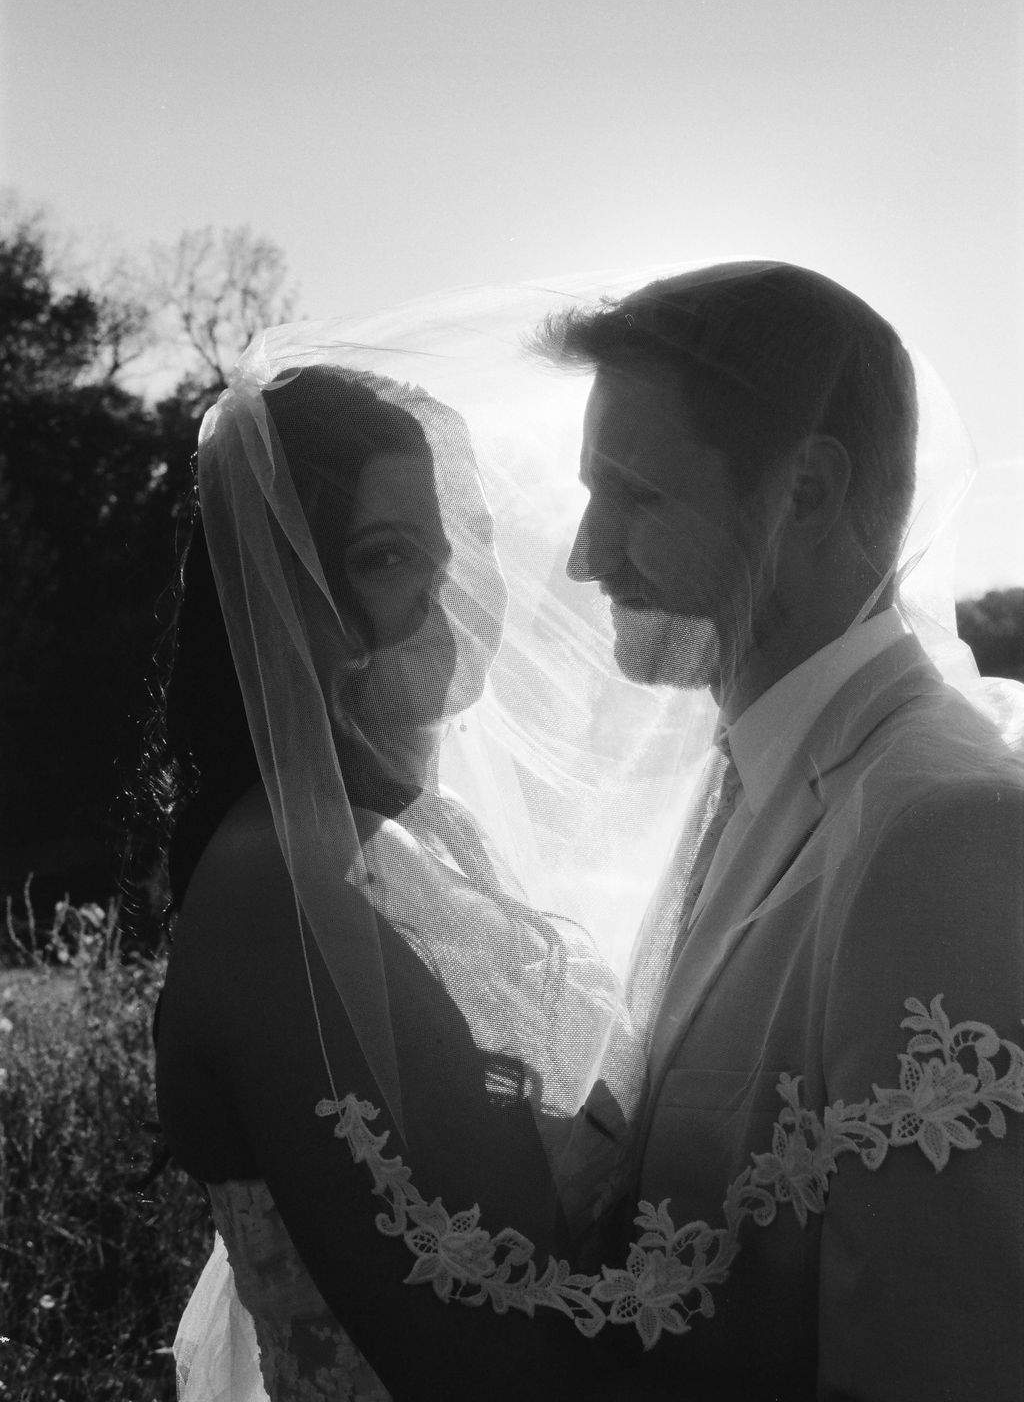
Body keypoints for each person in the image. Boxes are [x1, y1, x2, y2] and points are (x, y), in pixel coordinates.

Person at [538, 260, 1024, 1398]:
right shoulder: (755, 778)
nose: (584, 552)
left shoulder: (937, 829)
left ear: (804, 490)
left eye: (633, 495)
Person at [155, 352, 643, 1400]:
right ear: (289, 595)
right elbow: (468, 1344)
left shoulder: (437, 833)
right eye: (385, 556)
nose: (447, 591)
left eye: (452, 544)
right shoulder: (275, 886)